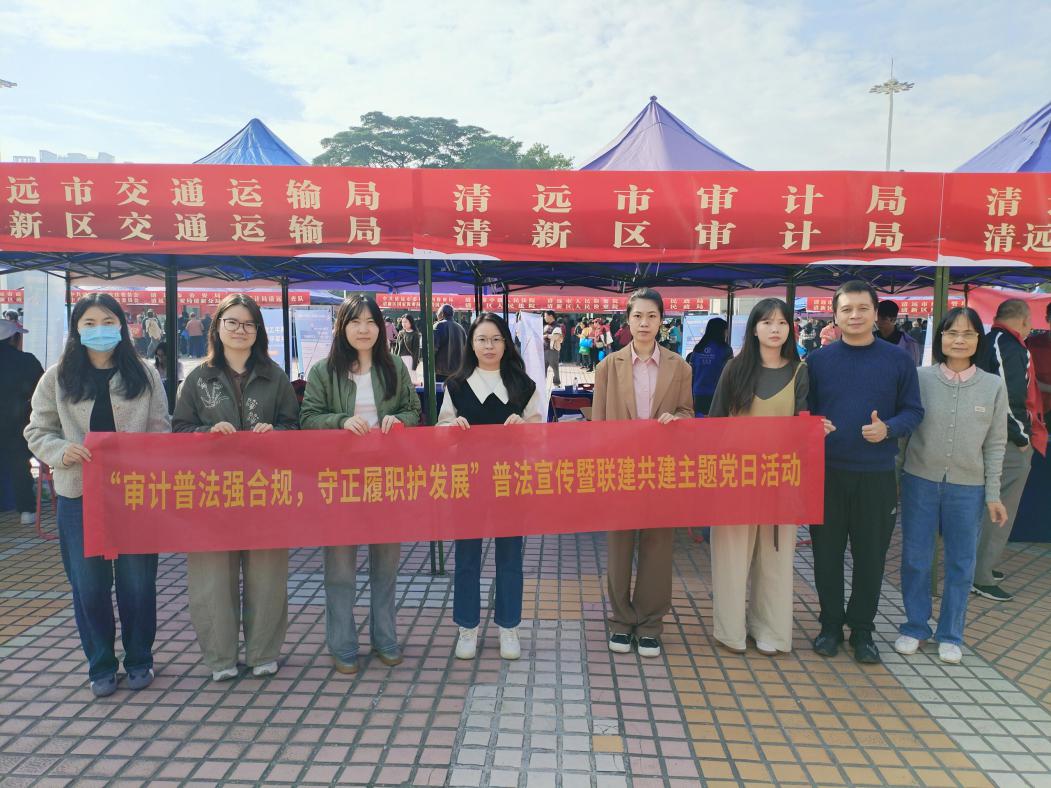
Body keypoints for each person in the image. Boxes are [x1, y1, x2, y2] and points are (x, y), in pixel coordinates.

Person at [24, 294, 170, 697]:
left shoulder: (144, 374)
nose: (99, 329)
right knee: (88, 585)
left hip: (135, 495)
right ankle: (101, 663)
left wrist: (145, 457)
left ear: (122, 326)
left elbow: (161, 428)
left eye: (107, 321)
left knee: (137, 582)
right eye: (89, 323)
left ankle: (139, 659)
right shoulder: (57, 377)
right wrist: (61, 451)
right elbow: (37, 430)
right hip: (79, 495)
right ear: (76, 329)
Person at [172, 294, 300, 681]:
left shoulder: (275, 376)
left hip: (265, 492)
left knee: (268, 576)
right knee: (211, 579)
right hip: (212, 494)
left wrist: (276, 432)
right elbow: (178, 430)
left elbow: (295, 426)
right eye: (232, 322)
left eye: (248, 324)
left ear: (258, 331)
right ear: (218, 327)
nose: (240, 330)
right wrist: (206, 432)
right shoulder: (197, 378)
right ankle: (221, 657)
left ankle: (264, 652)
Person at [300, 295, 421, 674]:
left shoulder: (394, 367)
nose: (364, 329)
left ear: (381, 328)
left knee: (386, 567)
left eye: (371, 322)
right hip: (340, 483)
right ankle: (342, 644)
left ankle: (385, 638)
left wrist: (399, 420)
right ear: (342, 327)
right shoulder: (323, 371)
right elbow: (307, 418)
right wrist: (338, 420)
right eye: (355, 322)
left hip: (386, 480)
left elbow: (414, 410)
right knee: (339, 570)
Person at [806, 280, 923, 664]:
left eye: (862, 308)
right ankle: (829, 626)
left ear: (875, 313)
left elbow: (914, 411)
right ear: (835, 316)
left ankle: (862, 631)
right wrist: (813, 424)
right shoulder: (819, 361)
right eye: (846, 309)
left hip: (876, 475)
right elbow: (804, 410)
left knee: (870, 557)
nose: (854, 315)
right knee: (826, 555)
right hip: (828, 473)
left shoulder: (897, 360)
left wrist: (888, 428)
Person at [894, 308, 1008, 665]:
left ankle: (950, 634)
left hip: (968, 488)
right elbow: (903, 436)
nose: (959, 340)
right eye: (952, 333)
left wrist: (993, 494)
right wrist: (894, 482)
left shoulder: (993, 385)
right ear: (941, 337)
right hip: (919, 481)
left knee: (961, 563)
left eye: (968, 333)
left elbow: (996, 443)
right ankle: (915, 626)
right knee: (915, 559)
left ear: (978, 340)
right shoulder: (920, 378)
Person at [708, 299, 816, 656]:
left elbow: (803, 423)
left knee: (776, 558)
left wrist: (816, 431)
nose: (775, 329)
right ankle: (731, 631)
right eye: (767, 322)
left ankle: (770, 630)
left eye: (782, 323)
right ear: (753, 328)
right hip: (735, 479)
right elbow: (715, 424)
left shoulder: (800, 371)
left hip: (780, 479)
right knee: (732, 558)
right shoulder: (734, 369)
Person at [592, 288, 693, 658]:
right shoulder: (608, 366)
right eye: (637, 316)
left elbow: (688, 412)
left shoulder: (679, 367)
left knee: (658, 547)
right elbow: (598, 425)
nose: (644, 323)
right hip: (620, 470)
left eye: (652, 316)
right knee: (619, 548)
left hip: (661, 470)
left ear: (662, 321)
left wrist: (677, 419)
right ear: (628, 320)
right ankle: (621, 620)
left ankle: (650, 624)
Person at [438, 313, 541, 661]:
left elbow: (539, 434)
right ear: (471, 343)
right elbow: (440, 430)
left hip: (510, 483)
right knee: (466, 558)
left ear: (506, 343)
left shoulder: (523, 385)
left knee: (509, 557)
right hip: (468, 483)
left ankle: (508, 626)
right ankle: (467, 626)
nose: (489, 346)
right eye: (482, 339)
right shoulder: (456, 385)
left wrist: (523, 427)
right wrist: (451, 428)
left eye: (496, 339)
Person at [973, 299, 1047, 601]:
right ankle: (981, 573)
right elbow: (1008, 398)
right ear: (1023, 319)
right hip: (1005, 440)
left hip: (992, 436)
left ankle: (980, 566)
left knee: (990, 505)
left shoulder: (992, 341)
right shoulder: (1008, 345)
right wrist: (1022, 437)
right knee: (1000, 507)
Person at [0, 319, 44, 525]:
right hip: (18, 421)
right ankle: (26, 511)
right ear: (13, 338)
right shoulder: (27, 361)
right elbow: (43, 392)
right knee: (19, 465)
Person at [687, 317, 733, 415]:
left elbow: (690, 371)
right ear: (722, 331)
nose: (727, 334)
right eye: (726, 331)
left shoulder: (698, 348)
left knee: (700, 421)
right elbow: (730, 373)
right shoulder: (726, 350)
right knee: (717, 422)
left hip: (698, 393)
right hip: (718, 393)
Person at [875, 300, 922, 365]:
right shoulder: (869, 339)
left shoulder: (909, 343)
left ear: (893, 319)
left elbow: (913, 367)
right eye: (876, 318)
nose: (878, 321)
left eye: (883, 319)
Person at [434, 304, 467, 382]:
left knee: (441, 389)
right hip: (458, 371)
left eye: (437, 312)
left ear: (442, 314)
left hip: (441, 371)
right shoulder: (461, 328)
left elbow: (433, 349)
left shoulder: (438, 325)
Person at [392, 313, 422, 378]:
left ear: (411, 322)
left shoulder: (415, 334)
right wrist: (394, 361)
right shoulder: (401, 333)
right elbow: (397, 348)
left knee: (409, 379)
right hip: (400, 360)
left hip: (409, 360)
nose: (403, 324)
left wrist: (414, 367)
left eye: (405, 322)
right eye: (402, 322)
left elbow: (416, 352)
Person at [542, 310, 563, 388]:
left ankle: (556, 384)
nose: (544, 318)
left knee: (555, 368)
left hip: (553, 350)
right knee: (543, 368)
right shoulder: (546, 326)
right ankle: (542, 384)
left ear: (550, 316)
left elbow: (556, 337)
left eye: (545, 316)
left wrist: (546, 336)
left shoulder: (557, 326)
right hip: (544, 350)